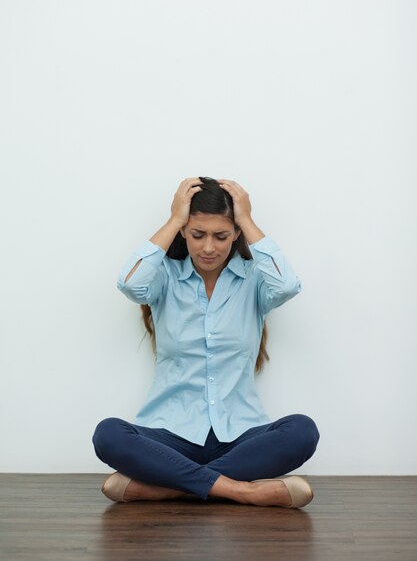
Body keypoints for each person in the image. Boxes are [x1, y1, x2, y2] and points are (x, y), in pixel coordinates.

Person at [92, 177, 319, 508]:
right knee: (108, 435)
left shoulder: (254, 279)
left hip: (239, 435)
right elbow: (129, 283)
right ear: (184, 232)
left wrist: (246, 218)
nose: (209, 247)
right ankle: (242, 491)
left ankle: (168, 487)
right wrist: (173, 219)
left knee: (302, 431)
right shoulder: (165, 276)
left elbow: (286, 286)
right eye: (198, 234)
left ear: (235, 234)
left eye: (221, 235)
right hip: (169, 435)